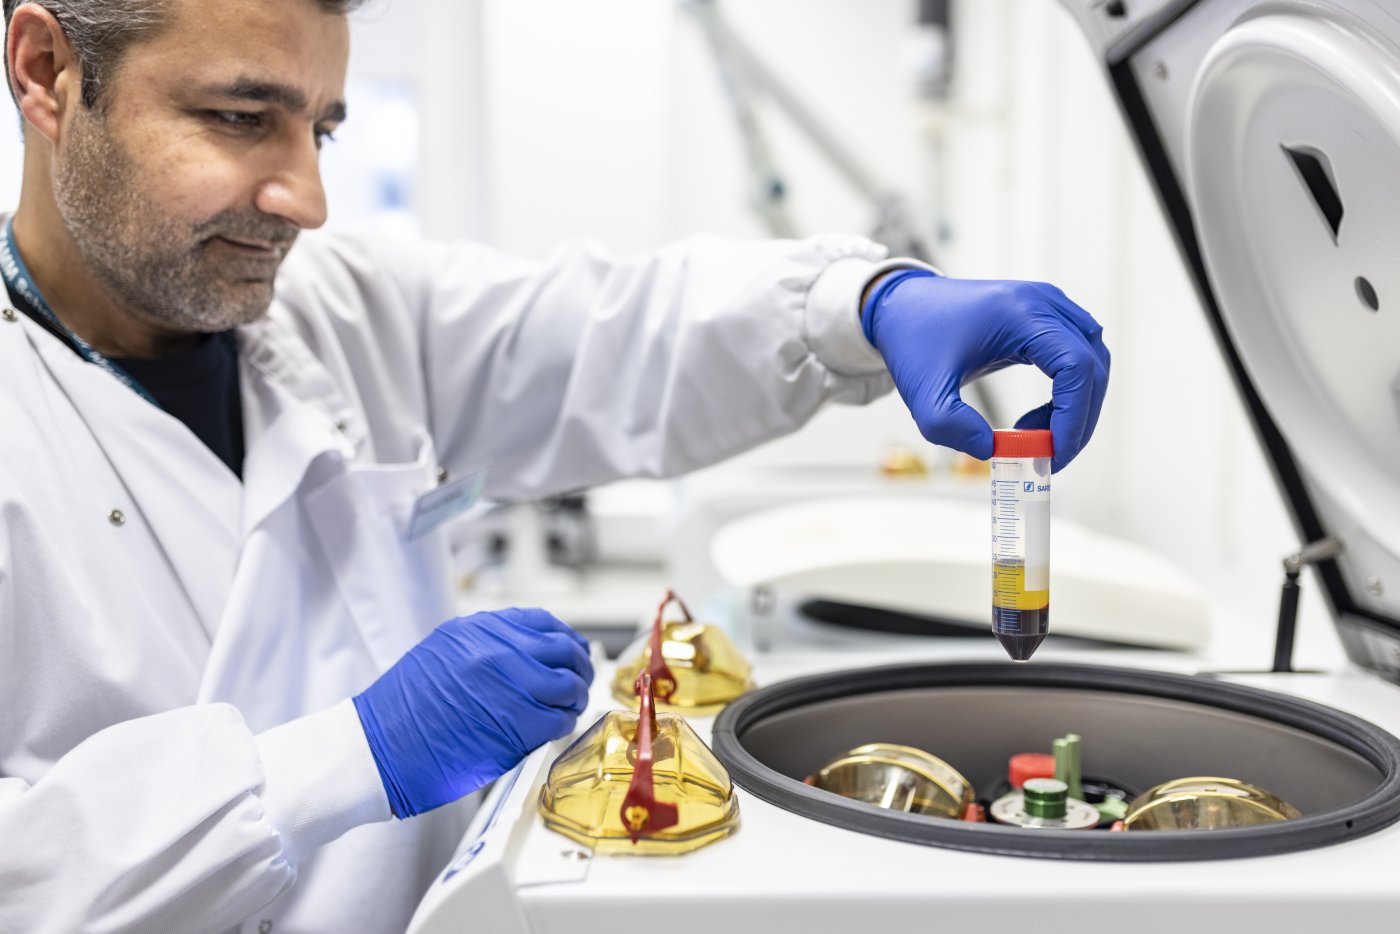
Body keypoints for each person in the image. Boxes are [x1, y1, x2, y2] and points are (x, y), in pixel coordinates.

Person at [0, 0, 1109, 931]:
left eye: (322, 131)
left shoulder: (344, 312)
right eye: (241, 118)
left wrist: (860, 306)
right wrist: (350, 755)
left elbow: (607, 332)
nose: (308, 198)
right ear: (47, 72)